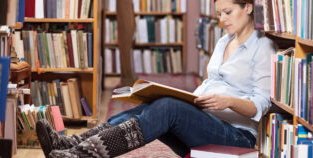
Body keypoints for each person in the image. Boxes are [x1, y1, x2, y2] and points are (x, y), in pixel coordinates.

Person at [36, 0, 278, 157]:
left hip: (236, 136)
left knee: (168, 108)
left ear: (248, 7)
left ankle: (81, 155)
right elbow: (210, 82)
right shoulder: (224, 40)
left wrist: (228, 101)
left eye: (228, 12)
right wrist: (193, 98)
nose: (222, 19)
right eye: (219, 14)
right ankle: (71, 144)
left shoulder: (263, 47)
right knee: (154, 104)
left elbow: (261, 104)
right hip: (207, 121)